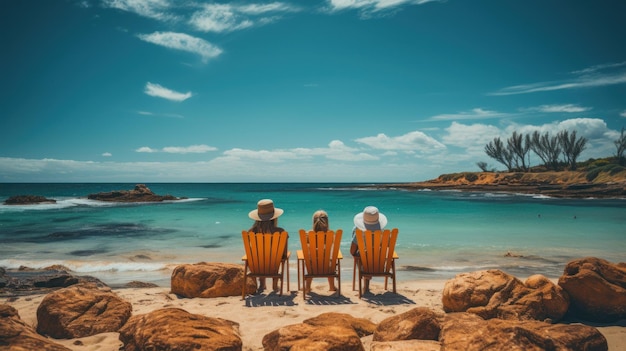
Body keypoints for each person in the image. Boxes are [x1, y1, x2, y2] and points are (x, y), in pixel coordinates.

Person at [248, 199, 287, 292]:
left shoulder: (251, 232)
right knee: (277, 257)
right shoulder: (280, 232)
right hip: (274, 263)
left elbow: (252, 251)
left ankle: (261, 285)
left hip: (258, 264)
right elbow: (284, 254)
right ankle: (274, 285)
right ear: (275, 217)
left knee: (260, 257)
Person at [349, 206, 388, 292]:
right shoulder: (383, 232)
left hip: (364, 261)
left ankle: (365, 280)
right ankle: (367, 279)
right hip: (379, 261)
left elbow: (352, 251)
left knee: (361, 255)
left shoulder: (358, 231)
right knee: (370, 254)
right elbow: (386, 245)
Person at [304, 210, 337, 292]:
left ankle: (307, 287)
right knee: (330, 262)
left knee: (310, 261)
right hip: (327, 266)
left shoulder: (307, 234)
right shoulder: (331, 234)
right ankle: (332, 287)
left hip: (312, 267)